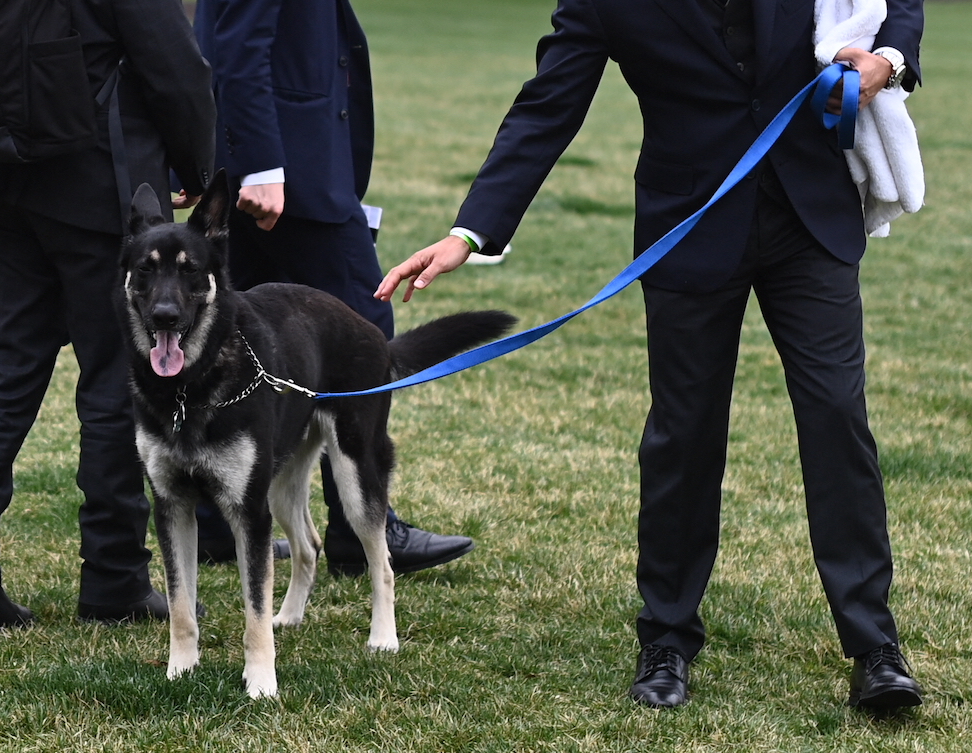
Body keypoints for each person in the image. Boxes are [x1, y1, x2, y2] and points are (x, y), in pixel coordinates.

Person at [377, 0, 925, 710]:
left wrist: (891, 58)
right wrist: (471, 232)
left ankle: (874, 645)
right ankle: (666, 638)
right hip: (690, 224)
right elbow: (548, 105)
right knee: (683, 433)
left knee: (837, 418)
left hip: (810, 217)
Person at [0, 0, 216, 636]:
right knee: (116, 380)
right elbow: (176, 66)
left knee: (5, 371)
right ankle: (114, 576)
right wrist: (196, 166)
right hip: (98, 183)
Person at [190, 0, 476, 577]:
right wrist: (265, 165)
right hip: (288, 172)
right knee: (363, 336)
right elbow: (239, 39)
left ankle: (221, 518)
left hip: (273, 159)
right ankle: (360, 526)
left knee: (236, 336)